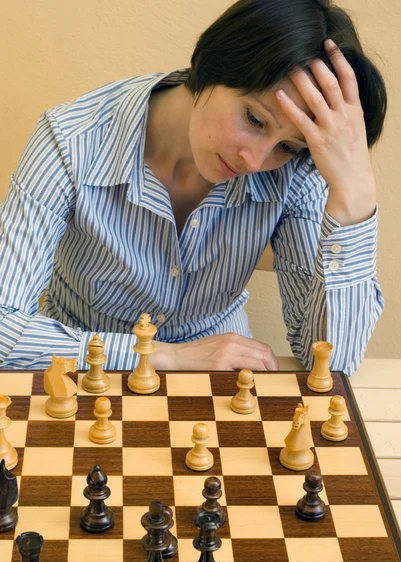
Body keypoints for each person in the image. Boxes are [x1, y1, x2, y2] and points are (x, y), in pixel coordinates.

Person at [0, 0, 387, 375]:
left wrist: (354, 192)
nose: (254, 161)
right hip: (83, 372)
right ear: (209, 64)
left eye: (287, 146)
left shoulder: (295, 171)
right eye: (254, 118)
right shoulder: (70, 139)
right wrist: (162, 356)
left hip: (221, 376)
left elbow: (333, 363)